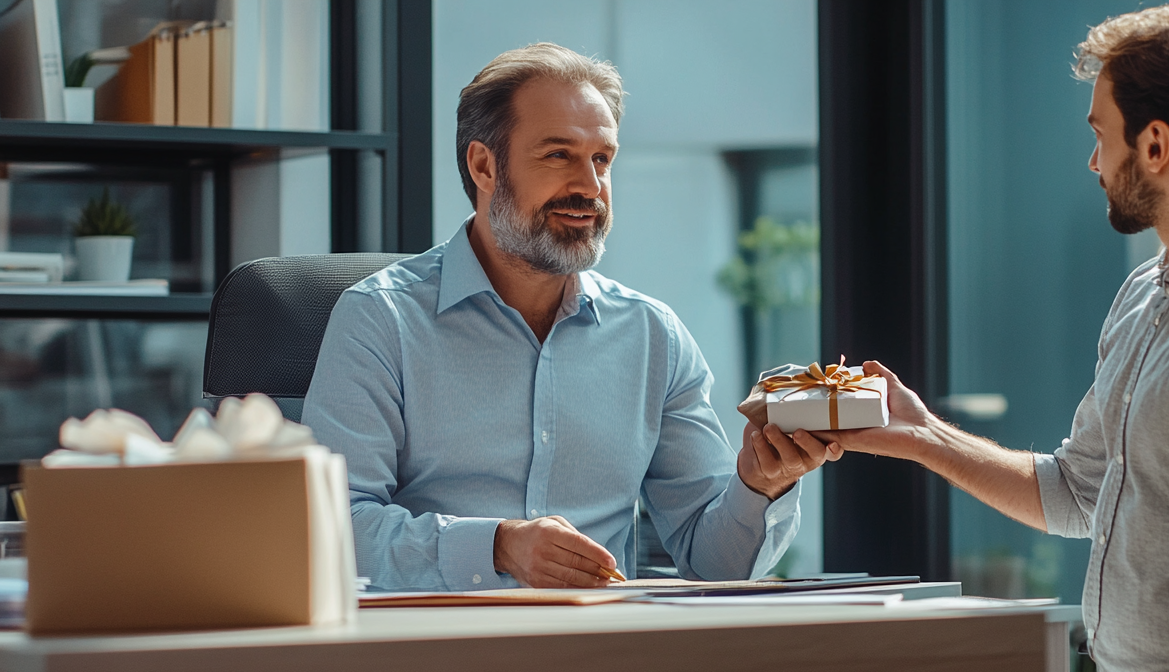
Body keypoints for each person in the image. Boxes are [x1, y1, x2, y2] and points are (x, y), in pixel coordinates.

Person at [756, 4, 1169, 670]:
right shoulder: (1147, 294)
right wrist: (926, 435)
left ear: (1155, 145)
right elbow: (1078, 493)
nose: (1094, 159)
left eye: (1103, 134)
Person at [306, 43, 836, 592]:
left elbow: (715, 567)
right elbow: (331, 527)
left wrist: (759, 485)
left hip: (603, 648)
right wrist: (498, 547)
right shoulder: (380, 319)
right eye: (559, 155)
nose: (590, 187)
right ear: (484, 166)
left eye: (602, 159)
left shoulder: (652, 336)